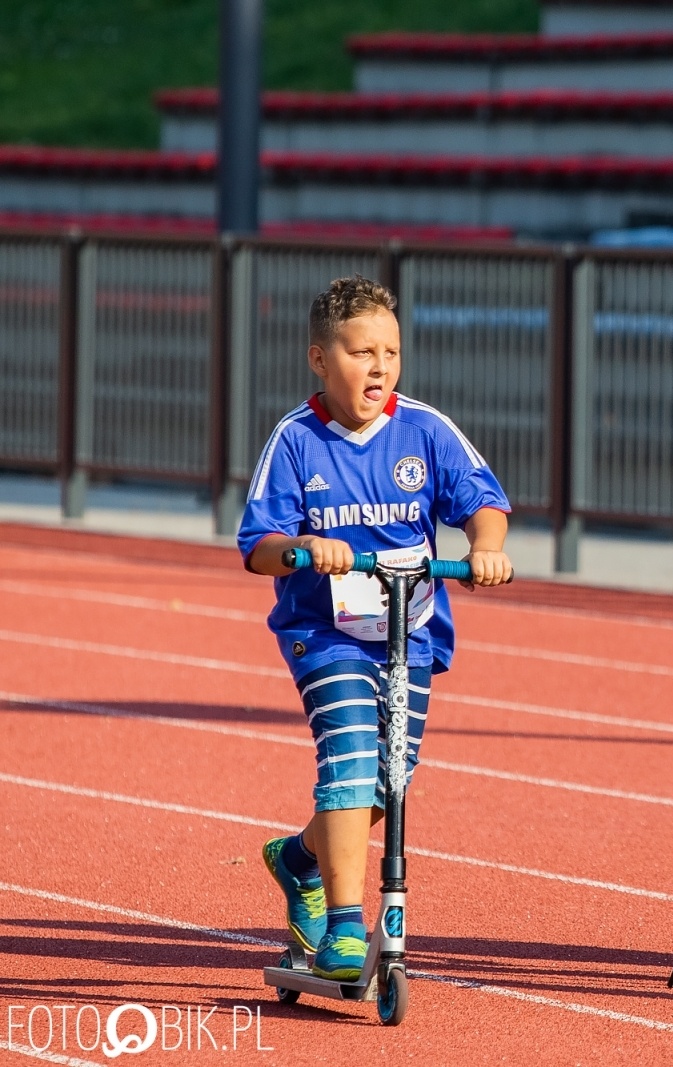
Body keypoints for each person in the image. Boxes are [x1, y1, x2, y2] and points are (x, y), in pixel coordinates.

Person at [238, 275, 513, 980]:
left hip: (408, 629)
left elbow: (483, 501)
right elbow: (258, 543)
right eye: (362, 352)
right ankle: (345, 927)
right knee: (352, 759)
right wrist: (303, 549)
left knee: (391, 781)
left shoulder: (424, 428)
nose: (380, 366)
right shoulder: (296, 441)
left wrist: (485, 546)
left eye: (390, 350)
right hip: (322, 630)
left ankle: (297, 858)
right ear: (319, 358)